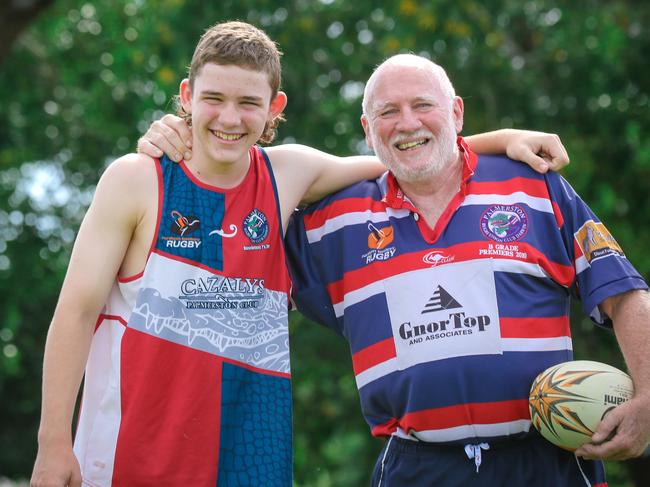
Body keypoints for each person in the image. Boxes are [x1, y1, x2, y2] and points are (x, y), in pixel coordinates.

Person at [31, 20, 570, 487]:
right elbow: (75, 313)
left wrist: (506, 137)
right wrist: (53, 441)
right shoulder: (135, 179)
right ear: (186, 96)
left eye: (248, 103)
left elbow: (404, 159)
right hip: (133, 454)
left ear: (274, 108)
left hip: (251, 456)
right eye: (213, 98)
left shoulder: (286, 174)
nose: (229, 118)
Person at [283, 53, 650, 486]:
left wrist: (648, 398)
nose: (406, 123)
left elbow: (622, 291)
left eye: (423, 105)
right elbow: (239, 235)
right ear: (367, 130)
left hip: (547, 462)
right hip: (418, 468)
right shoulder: (333, 222)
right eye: (387, 112)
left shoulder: (533, 185)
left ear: (456, 112)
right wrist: (187, 139)